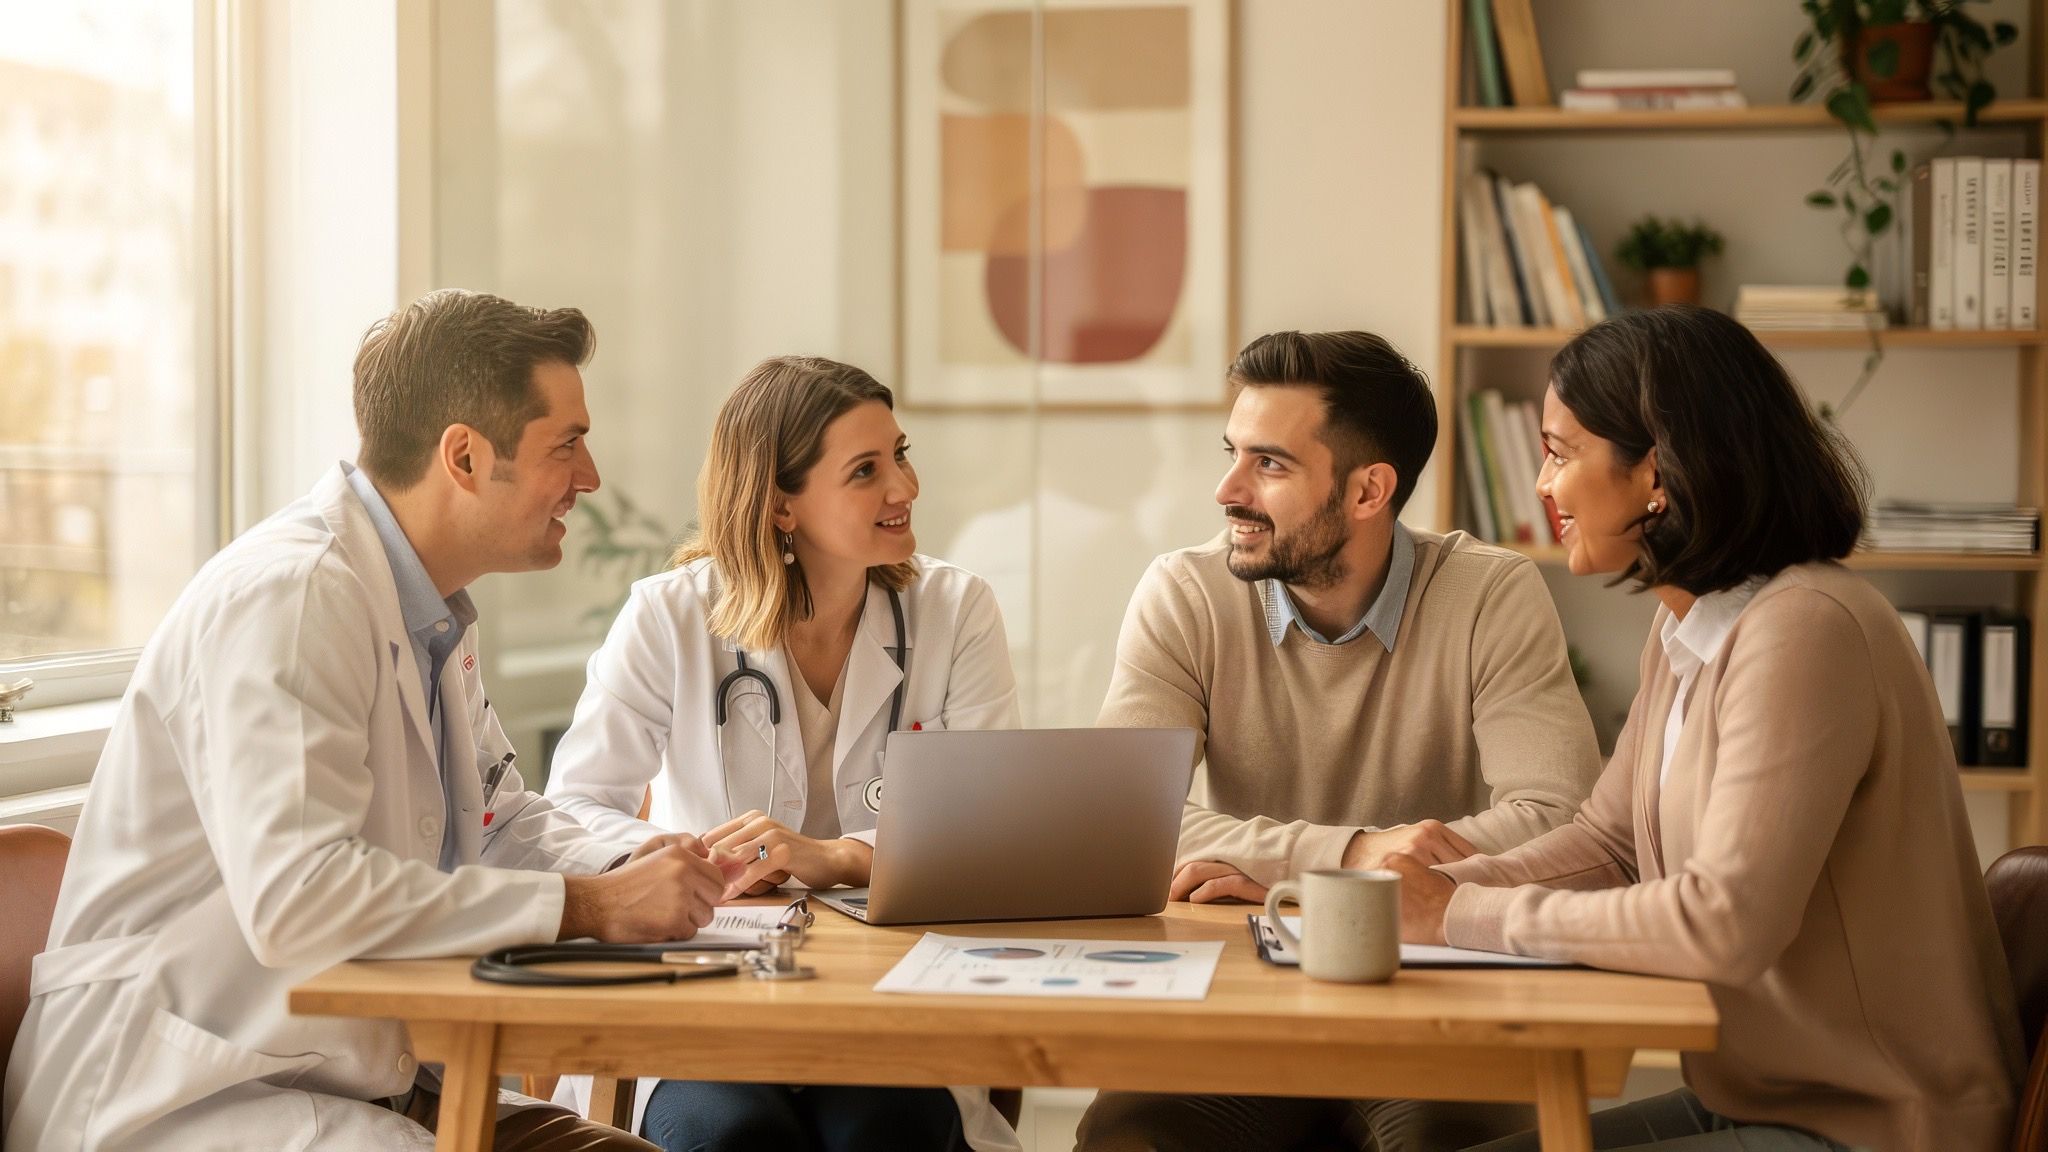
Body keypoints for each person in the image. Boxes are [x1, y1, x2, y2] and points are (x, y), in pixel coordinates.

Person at [0, 290, 739, 1152]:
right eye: (565, 444)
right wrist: (590, 905)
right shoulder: (297, 596)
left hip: (349, 1077)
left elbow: (498, 823)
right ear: (464, 456)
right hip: (187, 1096)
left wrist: (643, 866)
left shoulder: (424, 611)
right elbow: (300, 899)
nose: (590, 477)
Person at [1385, 306, 2025, 1152]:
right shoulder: (1688, 628)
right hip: (1764, 1098)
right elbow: (1607, 844)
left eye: (1561, 451)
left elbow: (1724, 922)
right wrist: (1419, 890)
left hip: (1880, 1123)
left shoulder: (1806, 628)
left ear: (1659, 468)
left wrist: (1458, 913)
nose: (1543, 484)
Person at [1075, 330, 1603, 1152]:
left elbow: (1562, 823)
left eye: (1269, 465)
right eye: (1232, 454)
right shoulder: (1184, 593)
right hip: (1239, 1003)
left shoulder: (1490, 595)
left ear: (1368, 491)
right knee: (1130, 1139)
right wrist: (1356, 857)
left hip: (1433, 1008)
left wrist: (1276, 871)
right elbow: (1120, 820)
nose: (1226, 489)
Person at [545, 355, 1022, 1152]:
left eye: (900, 455)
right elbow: (572, 808)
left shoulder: (955, 610)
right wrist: (685, 857)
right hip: (710, 996)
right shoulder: (670, 617)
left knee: (883, 1134)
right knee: (734, 1137)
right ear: (779, 504)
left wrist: (834, 855)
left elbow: (994, 827)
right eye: (865, 470)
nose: (904, 488)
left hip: (891, 1001)